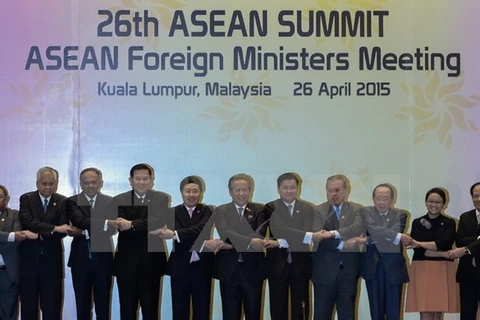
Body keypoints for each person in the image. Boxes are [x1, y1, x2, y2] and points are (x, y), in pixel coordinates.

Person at [108, 163, 171, 320]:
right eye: (138, 179)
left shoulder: (162, 198)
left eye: (145, 179)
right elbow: (121, 225)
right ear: (130, 180)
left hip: (152, 263)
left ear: (152, 180)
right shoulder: (119, 199)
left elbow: (158, 220)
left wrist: (132, 224)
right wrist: (142, 225)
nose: (142, 182)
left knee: (151, 311)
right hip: (126, 264)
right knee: (127, 310)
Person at [151, 176, 215, 320]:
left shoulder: (208, 211)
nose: (191, 195)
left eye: (195, 191)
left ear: (201, 192)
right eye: (188, 191)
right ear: (181, 192)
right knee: (179, 311)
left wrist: (174, 234)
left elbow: (200, 230)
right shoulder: (171, 212)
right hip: (179, 268)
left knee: (202, 311)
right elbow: (193, 236)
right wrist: (203, 243)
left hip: (202, 267)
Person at [19, 166, 70, 320]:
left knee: (52, 310)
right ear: (37, 183)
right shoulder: (27, 199)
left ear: (56, 183)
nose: (48, 187)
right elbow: (27, 221)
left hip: (52, 264)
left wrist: (39, 234)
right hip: (29, 263)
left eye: (51, 183)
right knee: (28, 309)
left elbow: (64, 230)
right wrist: (53, 228)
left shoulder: (62, 201)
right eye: (44, 183)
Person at [213, 173, 266, 320]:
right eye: (237, 190)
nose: (241, 193)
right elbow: (225, 233)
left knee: (254, 314)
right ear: (230, 192)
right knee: (230, 315)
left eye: (245, 189)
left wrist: (234, 242)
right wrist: (249, 241)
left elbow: (259, 236)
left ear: (250, 191)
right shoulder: (221, 210)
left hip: (253, 270)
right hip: (228, 270)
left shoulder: (260, 210)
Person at [311, 174, 364, 320]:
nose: (333, 194)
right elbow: (319, 236)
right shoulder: (317, 211)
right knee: (321, 315)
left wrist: (332, 233)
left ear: (346, 190)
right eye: (329, 190)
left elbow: (356, 228)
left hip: (348, 273)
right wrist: (343, 243)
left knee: (347, 316)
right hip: (324, 273)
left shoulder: (357, 210)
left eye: (337, 190)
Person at [66, 167, 116, 320]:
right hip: (80, 261)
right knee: (82, 306)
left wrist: (83, 232)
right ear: (81, 184)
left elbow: (112, 230)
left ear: (100, 183)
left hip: (104, 261)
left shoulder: (110, 201)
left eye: (94, 182)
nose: (91, 186)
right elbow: (79, 220)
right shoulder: (72, 201)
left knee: (103, 306)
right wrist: (105, 223)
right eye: (86, 183)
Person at [264, 172, 313, 320]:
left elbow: (307, 235)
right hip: (277, 265)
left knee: (302, 308)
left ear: (298, 188)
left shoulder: (307, 208)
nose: (289, 190)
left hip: (301, 263)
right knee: (278, 308)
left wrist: (279, 242)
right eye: (285, 187)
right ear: (278, 189)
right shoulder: (270, 207)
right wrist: (301, 235)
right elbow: (279, 229)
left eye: (292, 187)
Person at [359, 184, 410, 320]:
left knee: (394, 313)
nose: (381, 202)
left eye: (385, 198)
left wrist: (369, 239)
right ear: (373, 198)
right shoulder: (366, 211)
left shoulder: (401, 214)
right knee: (376, 313)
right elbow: (374, 229)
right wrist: (397, 236)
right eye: (378, 198)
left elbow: (376, 232)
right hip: (372, 267)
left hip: (393, 267)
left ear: (392, 199)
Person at [405, 187, 458, 320]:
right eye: (431, 201)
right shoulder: (417, 222)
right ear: (426, 202)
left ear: (444, 204)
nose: (434, 205)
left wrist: (420, 243)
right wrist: (442, 253)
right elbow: (419, 250)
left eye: (438, 202)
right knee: (426, 310)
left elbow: (445, 244)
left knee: (438, 312)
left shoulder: (449, 223)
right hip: (422, 268)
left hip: (443, 269)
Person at [0, 185, 37, 320]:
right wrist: (9, 236)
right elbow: (13, 237)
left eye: (0, 196)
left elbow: (19, 239)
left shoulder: (15, 215)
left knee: (9, 314)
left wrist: (13, 238)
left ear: (7, 199)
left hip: (7, 275)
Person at [450, 182, 480, 320]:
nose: (478, 199)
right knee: (466, 314)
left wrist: (467, 249)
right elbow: (459, 241)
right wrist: (478, 239)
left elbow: (464, 245)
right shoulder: (465, 217)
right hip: (467, 273)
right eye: (476, 196)